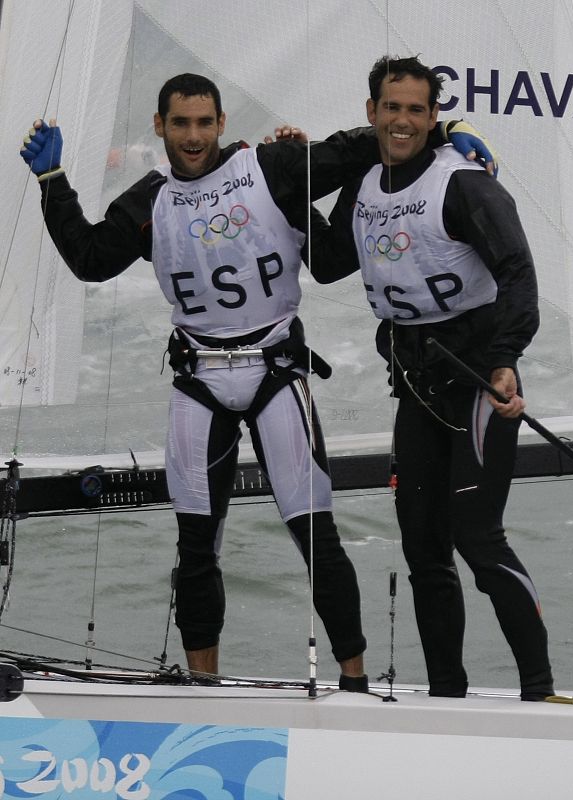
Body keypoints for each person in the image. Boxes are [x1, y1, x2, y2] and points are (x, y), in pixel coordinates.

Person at [20, 72, 494, 689]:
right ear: (160, 127)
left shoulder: (271, 167)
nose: (194, 137)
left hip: (275, 374)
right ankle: (204, 687)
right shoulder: (148, 200)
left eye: (205, 123)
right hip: (198, 382)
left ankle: (354, 682)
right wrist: (52, 184)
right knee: (196, 545)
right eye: (181, 124)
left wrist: (450, 129)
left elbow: (370, 140)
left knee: (315, 533)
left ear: (222, 124)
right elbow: (89, 259)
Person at [310, 56, 554, 701]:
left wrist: (504, 359)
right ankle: (447, 693)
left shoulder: (465, 185)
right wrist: (283, 193)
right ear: (372, 112)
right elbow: (331, 262)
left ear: (433, 117)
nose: (402, 121)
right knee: (423, 550)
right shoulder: (363, 180)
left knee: (478, 537)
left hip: (476, 380)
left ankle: (540, 691)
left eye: (417, 110)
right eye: (392, 108)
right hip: (416, 386)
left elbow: (520, 277)